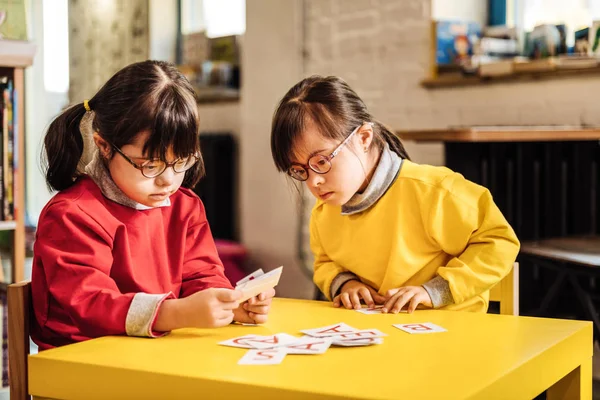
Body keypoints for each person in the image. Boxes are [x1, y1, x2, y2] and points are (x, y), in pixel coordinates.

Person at [31, 60, 274, 350]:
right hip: (81, 360)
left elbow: (202, 274)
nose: (168, 181)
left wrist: (226, 304)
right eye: (150, 165)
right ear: (104, 146)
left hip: (152, 353)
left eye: (182, 161)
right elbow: (90, 303)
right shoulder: (72, 214)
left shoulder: (184, 207)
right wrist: (175, 313)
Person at [270, 75, 519, 314]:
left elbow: (499, 242)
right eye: (299, 170)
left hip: (451, 333)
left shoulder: (434, 191)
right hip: (379, 335)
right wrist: (345, 284)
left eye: (322, 161)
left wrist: (434, 290)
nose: (313, 181)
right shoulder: (325, 211)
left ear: (364, 138)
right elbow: (325, 263)